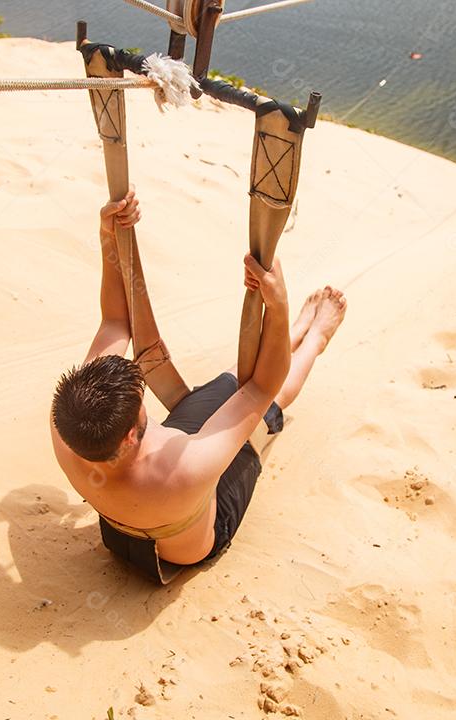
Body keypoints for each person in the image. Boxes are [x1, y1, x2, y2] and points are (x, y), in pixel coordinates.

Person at [50, 188, 346, 577]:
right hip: (184, 547)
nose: (144, 394)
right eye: (142, 404)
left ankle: (293, 334)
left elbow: (115, 323)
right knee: (257, 409)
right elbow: (260, 387)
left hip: (120, 531)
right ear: (127, 438)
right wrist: (277, 303)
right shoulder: (188, 470)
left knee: (226, 390)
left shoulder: (65, 425)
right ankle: (314, 340)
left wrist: (110, 236)